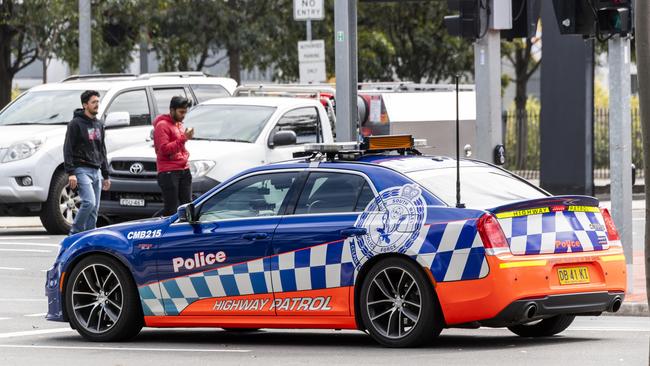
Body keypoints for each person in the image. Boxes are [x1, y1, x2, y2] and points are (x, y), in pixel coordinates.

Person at [63, 90, 111, 235]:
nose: (97, 105)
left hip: (96, 170)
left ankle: (90, 237)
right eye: (93, 102)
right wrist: (71, 173)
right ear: (85, 105)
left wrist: (106, 174)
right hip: (81, 169)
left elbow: (102, 150)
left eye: (98, 102)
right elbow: (68, 149)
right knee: (89, 202)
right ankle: (75, 232)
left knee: (94, 208)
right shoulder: (75, 124)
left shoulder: (99, 124)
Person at [153, 96, 194, 216]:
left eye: (185, 112)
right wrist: (184, 138)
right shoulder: (162, 125)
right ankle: (151, 226)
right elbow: (163, 150)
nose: (183, 115)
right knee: (171, 208)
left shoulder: (179, 125)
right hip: (169, 171)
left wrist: (185, 154)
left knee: (187, 206)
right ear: (172, 110)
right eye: (181, 112)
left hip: (183, 168)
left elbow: (180, 146)